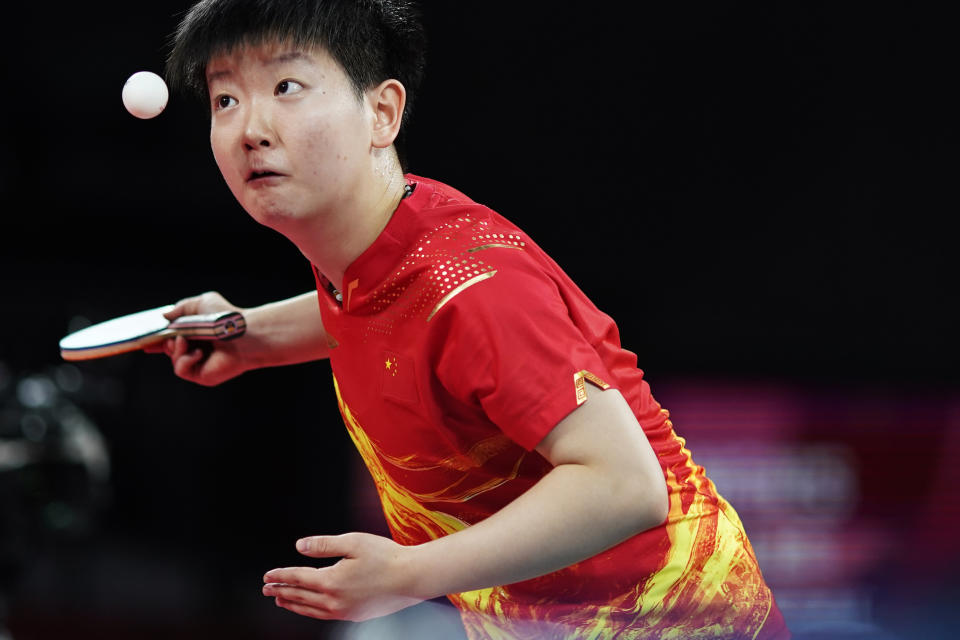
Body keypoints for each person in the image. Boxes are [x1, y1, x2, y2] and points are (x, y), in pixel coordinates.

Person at [161, 1, 790, 638]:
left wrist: (405, 575)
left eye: (285, 87)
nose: (250, 129)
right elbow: (386, 317)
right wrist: (249, 335)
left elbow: (626, 484)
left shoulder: (475, 287)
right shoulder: (382, 245)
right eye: (225, 101)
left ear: (381, 113)